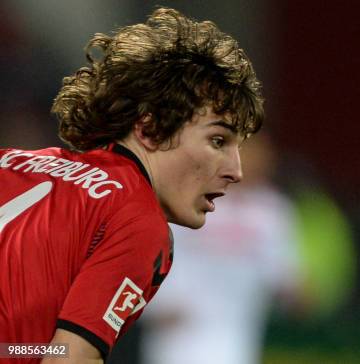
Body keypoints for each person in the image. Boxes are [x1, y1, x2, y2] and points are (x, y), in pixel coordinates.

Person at [0, 7, 263, 364]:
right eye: (218, 140)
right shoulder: (137, 219)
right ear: (149, 129)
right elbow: (67, 358)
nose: (236, 170)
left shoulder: (11, 161)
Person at [142, 134, 303, 364]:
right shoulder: (184, 197)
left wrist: (297, 294)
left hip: (235, 337)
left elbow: (283, 276)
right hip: (177, 332)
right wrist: (155, 306)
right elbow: (148, 254)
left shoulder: (272, 212)